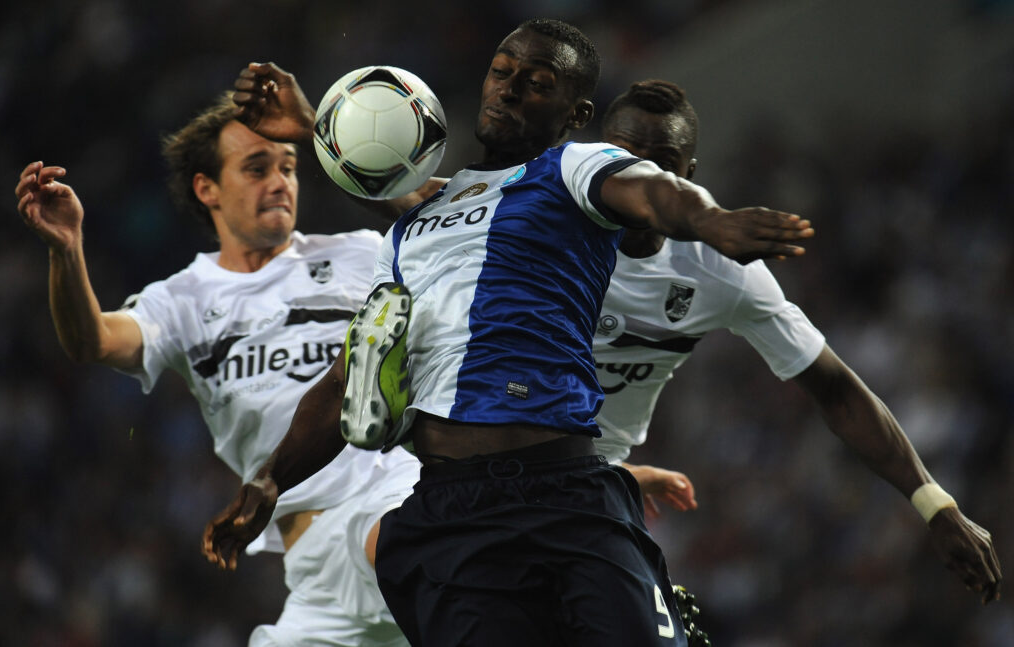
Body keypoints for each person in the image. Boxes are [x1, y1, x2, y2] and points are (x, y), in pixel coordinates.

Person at [204, 18, 814, 647]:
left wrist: (711, 222)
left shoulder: (574, 170)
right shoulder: (413, 231)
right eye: (502, 71)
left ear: (574, 112)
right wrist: (270, 479)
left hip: (568, 496)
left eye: (538, 82)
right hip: (452, 517)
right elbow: (343, 381)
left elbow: (653, 195)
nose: (510, 89)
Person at [15, 93, 420, 646]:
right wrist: (67, 250)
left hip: (389, 499)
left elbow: (446, 230)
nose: (279, 182)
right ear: (208, 188)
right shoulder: (181, 299)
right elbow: (92, 342)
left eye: (289, 168)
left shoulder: (360, 253)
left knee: (433, 573)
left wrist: (324, 131)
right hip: (313, 570)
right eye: (257, 169)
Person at [590, 79, 1001, 603]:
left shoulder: (719, 268)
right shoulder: (540, 228)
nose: (642, 173)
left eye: (661, 160)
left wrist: (936, 505)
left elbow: (837, 390)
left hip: (590, 490)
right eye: (625, 156)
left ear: (688, 174)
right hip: (491, 470)